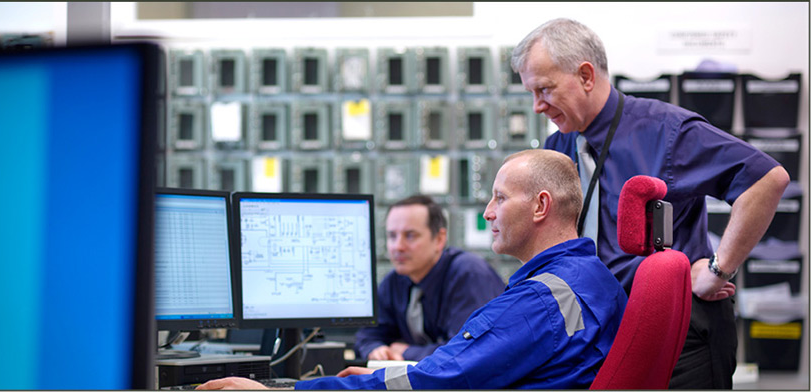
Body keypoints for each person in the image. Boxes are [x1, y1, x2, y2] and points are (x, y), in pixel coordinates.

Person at [510, 18, 790, 389]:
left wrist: (718, 270)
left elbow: (766, 179)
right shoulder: (558, 148)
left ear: (586, 76)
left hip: (679, 333)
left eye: (544, 90)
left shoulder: (665, 130)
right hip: (603, 332)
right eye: (531, 92)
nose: (536, 106)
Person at [196, 149, 628, 390]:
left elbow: (443, 380)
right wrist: (390, 369)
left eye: (499, 198)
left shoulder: (539, 300)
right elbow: (459, 367)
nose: (487, 212)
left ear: (540, 206)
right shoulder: (592, 278)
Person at [354, 194, 505, 361]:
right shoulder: (394, 281)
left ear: (439, 239)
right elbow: (367, 335)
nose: (398, 246)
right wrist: (376, 349)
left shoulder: (469, 274)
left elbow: (468, 351)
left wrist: (405, 352)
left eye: (410, 235)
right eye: (392, 236)